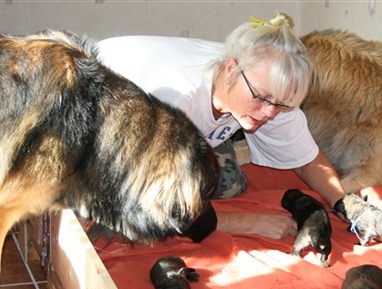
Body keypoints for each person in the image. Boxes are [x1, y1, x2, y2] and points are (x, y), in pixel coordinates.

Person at [97, 13, 345, 239]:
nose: (269, 112)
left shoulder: (266, 87)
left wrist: (345, 204)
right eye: (261, 97)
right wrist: (243, 222)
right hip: (105, 123)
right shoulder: (176, 99)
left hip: (179, 133)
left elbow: (306, 159)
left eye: (282, 105)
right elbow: (148, 199)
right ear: (231, 69)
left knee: (227, 184)